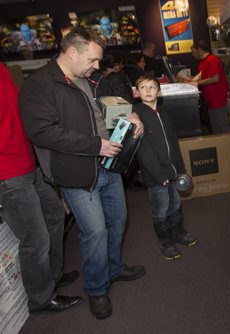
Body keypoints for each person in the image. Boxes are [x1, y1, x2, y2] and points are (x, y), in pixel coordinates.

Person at [18, 27, 146, 320]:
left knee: (117, 221)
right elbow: (43, 132)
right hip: (76, 173)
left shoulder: (86, 78)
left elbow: (103, 110)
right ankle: (97, 289)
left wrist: (130, 113)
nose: (97, 66)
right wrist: (96, 145)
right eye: (92, 59)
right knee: (95, 232)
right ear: (71, 52)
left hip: (108, 165)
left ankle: (114, 268)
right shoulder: (38, 85)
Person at [0, 62, 82, 314]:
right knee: (35, 239)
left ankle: (52, 275)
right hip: (8, 173)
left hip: (27, 162)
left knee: (56, 214)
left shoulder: (2, 68)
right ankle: (42, 298)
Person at [133, 74, 198, 260]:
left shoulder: (164, 113)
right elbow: (143, 150)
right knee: (161, 209)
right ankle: (165, 241)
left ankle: (178, 232)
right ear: (137, 93)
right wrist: (159, 174)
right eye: (143, 87)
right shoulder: (138, 114)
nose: (148, 90)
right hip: (156, 175)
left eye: (152, 87)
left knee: (175, 204)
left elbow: (174, 143)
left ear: (159, 91)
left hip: (173, 171)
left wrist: (181, 168)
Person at [186, 40, 230, 134]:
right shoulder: (203, 63)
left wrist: (196, 83)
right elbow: (198, 77)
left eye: (194, 51)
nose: (193, 54)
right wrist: (187, 80)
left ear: (199, 49)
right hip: (211, 101)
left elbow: (215, 78)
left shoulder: (212, 59)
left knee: (223, 127)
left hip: (218, 100)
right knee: (216, 128)